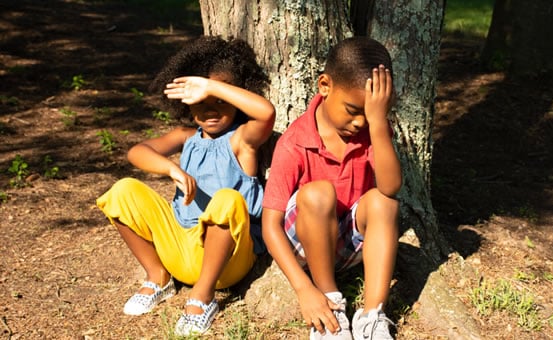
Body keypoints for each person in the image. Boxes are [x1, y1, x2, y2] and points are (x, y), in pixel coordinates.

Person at [96, 36, 275, 336]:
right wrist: (171, 169)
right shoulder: (186, 136)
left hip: (227, 261)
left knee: (227, 200)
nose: (211, 110)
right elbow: (136, 152)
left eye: (221, 100)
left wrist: (210, 86)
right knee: (122, 191)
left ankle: (202, 298)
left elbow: (266, 112)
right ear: (186, 104)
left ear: (235, 96)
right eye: (201, 102)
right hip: (180, 246)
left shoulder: (242, 139)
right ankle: (158, 277)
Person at [262, 36, 401, 340]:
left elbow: (390, 188)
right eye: (353, 109)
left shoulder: (373, 130)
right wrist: (304, 288)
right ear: (324, 86)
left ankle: (372, 317)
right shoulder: (295, 141)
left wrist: (379, 124)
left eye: (370, 113)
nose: (360, 122)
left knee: (384, 202)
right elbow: (270, 226)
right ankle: (330, 304)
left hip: (351, 244)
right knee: (318, 192)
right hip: (306, 246)